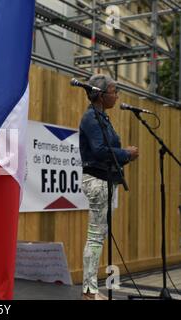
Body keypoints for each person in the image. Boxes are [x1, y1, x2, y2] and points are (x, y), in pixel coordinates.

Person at [79, 74, 139, 300]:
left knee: (99, 236)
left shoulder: (101, 117)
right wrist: (127, 154)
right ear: (101, 95)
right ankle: (88, 292)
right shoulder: (91, 119)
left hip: (107, 181)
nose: (117, 95)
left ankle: (90, 289)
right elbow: (100, 151)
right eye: (114, 91)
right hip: (97, 181)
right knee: (95, 236)